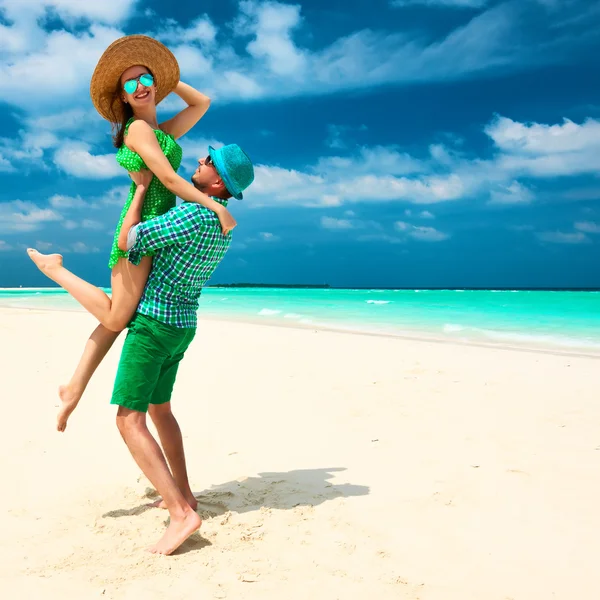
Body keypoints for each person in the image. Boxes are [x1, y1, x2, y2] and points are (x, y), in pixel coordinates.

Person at [26, 35, 237, 431]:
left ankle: (73, 388)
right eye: (129, 83)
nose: (139, 86)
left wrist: (165, 79)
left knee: (118, 318)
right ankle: (54, 270)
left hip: (156, 229)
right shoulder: (139, 129)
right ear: (121, 97)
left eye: (144, 78)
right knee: (118, 314)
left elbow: (202, 103)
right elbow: (170, 179)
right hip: (138, 227)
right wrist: (214, 207)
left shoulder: (161, 130)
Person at [110, 142, 254, 555]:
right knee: (161, 410)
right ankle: (186, 494)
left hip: (154, 323)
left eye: (210, 162)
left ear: (218, 182)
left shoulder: (194, 213)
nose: (201, 160)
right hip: (182, 324)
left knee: (128, 421)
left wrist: (139, 190)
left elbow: (128, 240)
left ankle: (180, 513)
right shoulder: (221, 224)